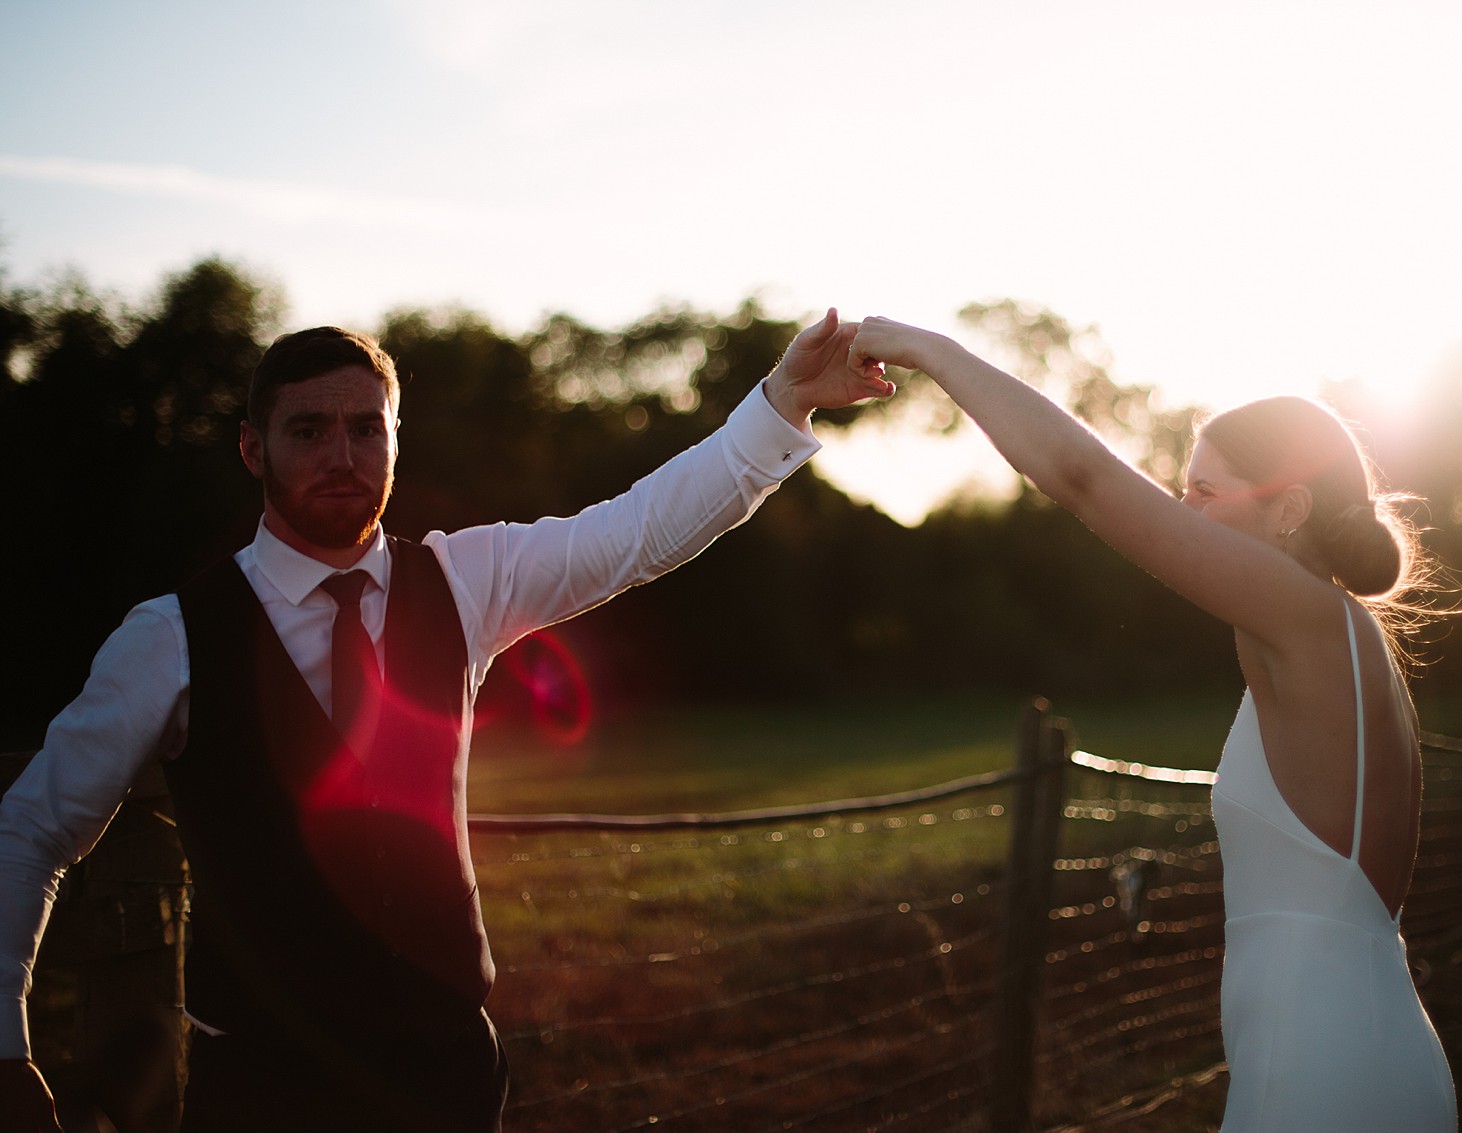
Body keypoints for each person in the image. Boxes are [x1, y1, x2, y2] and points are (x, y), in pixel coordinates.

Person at [0, 313, 894, 1133]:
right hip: (266, 1094)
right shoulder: (169, 637)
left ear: (395, 439)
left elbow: (636, 532)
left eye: (365, 427)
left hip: (447, 1083)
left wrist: (782, 404)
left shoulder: (465, 580)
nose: (341, 453)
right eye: (307, 429)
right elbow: (31, 829)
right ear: (252, 447)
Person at [849, 318, 1457, 1132]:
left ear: (1290, 510)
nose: (1180, 512)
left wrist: (930, 350)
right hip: (1368, 1047)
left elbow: (1084, 478)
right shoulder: (1336, 636)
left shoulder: (1305, 617)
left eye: (1204, 492)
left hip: (1319, 1068)